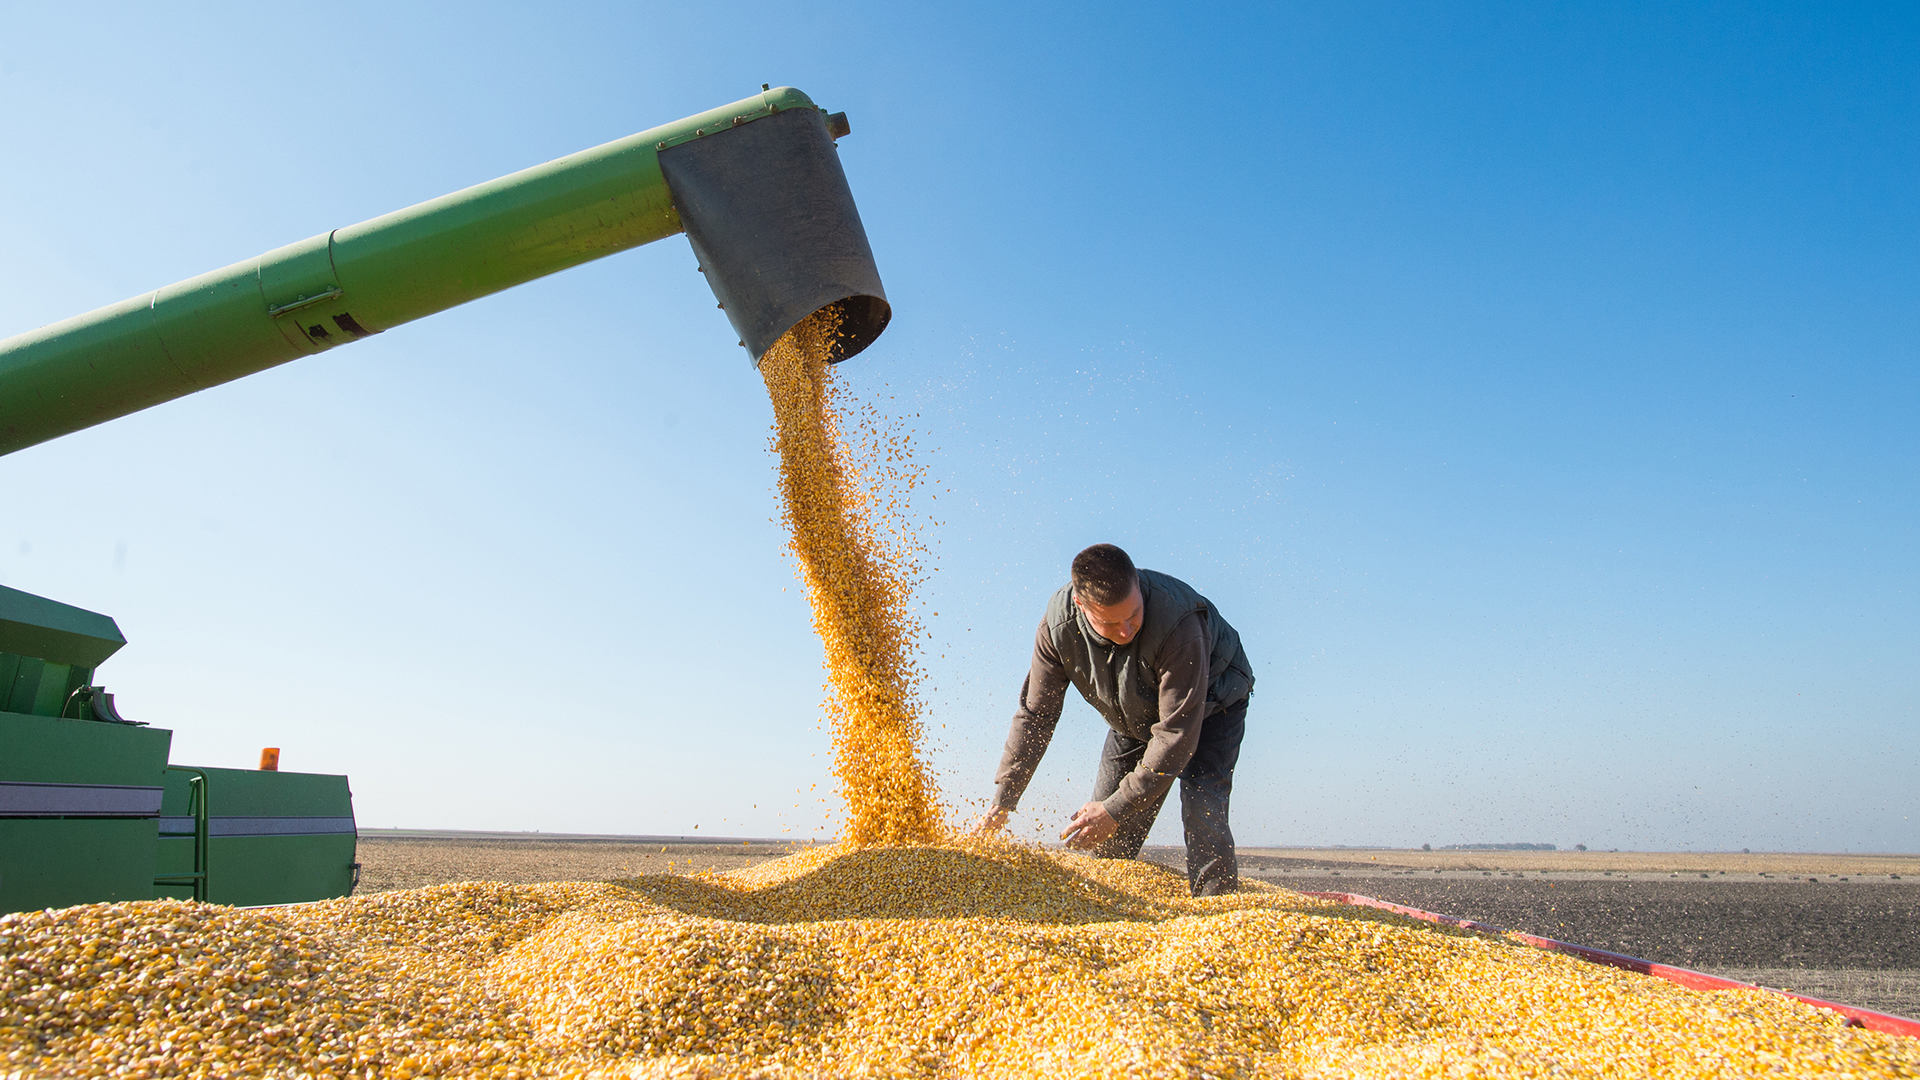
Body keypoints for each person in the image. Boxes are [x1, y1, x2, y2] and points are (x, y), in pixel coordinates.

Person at [973, 543, 1254, 896]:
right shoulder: (1058, 629)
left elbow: (1176, 736)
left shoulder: (1179, 623)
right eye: (1109, 622)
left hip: (1212, 705)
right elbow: (1036, 716)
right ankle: (1116, 908)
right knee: (1105, 829)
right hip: (1134, 716)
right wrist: (1005, 799)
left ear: (1137, 583)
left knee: (1203, 808)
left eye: (1133, 615)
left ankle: (1215, 905)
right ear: (1080, 605)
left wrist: (1116, 808)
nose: (1125, 631)